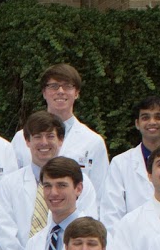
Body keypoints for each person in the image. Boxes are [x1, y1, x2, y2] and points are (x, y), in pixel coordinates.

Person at [0, 113, 97, 250]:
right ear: (27, 141)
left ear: (61, 140)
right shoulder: (7, 185)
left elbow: (87, 228)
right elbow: (4, 236)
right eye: (37, 136)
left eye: (50, 136)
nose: (44, 142)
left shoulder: (81, 182)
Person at [11, 64, 109, 192]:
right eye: (54, 86)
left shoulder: (93, 142)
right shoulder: (21, 138)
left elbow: (101, 193)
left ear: (77, 93)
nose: (60, 91)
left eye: (67, 86)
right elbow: (11, 184)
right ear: (44, 93)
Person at [100, 97, 160, 228]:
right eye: (145, 117)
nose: (152, 122)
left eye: (158, 117)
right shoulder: (120, 164)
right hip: (133, 241)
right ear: (137, 123)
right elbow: (111, 215)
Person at [15, 156, 91, 250]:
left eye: (61, 185)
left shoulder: (96, 240)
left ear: (78, 189)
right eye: (48, 186)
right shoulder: (34, 243)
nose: (53, 193)